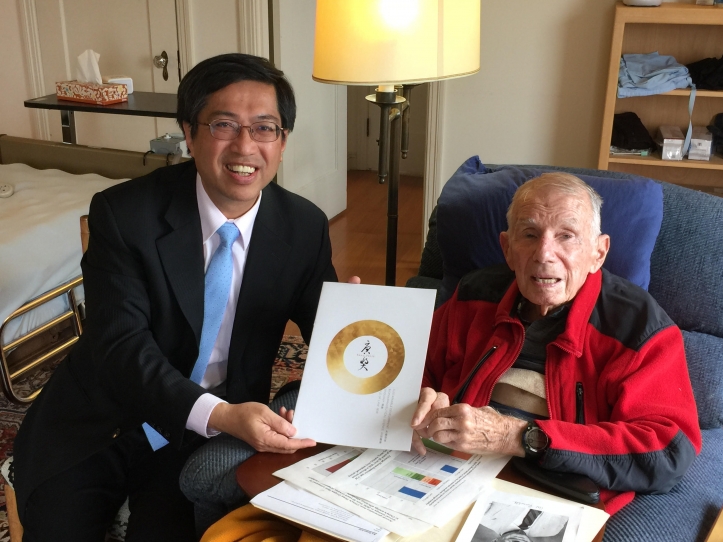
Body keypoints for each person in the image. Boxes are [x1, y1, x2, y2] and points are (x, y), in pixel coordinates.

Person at [14, 53, 355, 541]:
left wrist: (356, 322)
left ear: (282, 142)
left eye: (264, 128)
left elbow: (327, 334)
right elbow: (121, 348)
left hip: (199, 438)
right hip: (102, 421)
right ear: (189, 133)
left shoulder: (302, 227)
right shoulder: (124, 213)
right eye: (224, 124)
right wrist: (219, 414)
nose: (245, 146)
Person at [411, 172, 702, 515]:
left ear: (598, 252)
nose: (544, 254)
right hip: (442, 473)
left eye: (566, 236)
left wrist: (520, 436)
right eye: (530, 234)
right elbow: (417, 368)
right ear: (507, 248)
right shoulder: (472, 295)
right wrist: (417, 399)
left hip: (557, 493)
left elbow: (668, 451)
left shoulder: (639, 328)